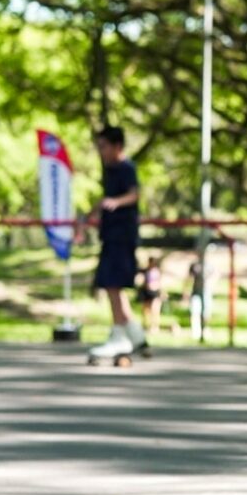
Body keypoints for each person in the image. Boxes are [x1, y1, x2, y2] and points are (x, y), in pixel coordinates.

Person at [78, 125, 149, 365]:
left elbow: (135, 194)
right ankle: (136, 336)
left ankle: (120, 335)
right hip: (110, 235)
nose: (101, 151)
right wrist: (90, 214)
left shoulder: (126, 168)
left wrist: (116, 202)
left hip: (122, 236)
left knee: (113, 284)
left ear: (117, 146)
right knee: (111, 286)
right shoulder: (109, 171)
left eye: (104, 146)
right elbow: (104, 200)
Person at [138, 256, 165, 336]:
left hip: (155, 292)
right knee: (145, 310)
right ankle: (145, 325)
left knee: (155, 310)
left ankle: (154, 327)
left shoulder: (158, 271)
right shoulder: (146, 271)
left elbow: (161, 282)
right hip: (146, 292)